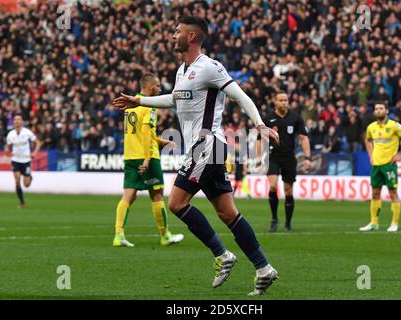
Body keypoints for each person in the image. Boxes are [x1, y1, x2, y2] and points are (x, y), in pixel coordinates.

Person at [113, 16, 280, 296]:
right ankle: (264, 268)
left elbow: (240, 96)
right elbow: (173, 100)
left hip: (208, 145)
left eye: (177, 31)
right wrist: (138, 100)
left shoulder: (210, 67)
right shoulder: (182, 70)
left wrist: (260, 124)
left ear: (191, 37)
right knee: (228, 213)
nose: (172, 35)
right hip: (200, 149)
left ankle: (223, 255)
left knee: (177, 203)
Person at [113, 73, 184, 247]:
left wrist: (161, 141)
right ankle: (165, 235)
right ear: (151, 87)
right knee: (157, 195)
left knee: (128, 196)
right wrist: (146, 159)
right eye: (158, 86)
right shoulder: (149, 106)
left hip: (130, 155)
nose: (160, 89)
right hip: (147, 156)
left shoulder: (131, 105)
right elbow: (145, 133)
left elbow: (141, 133)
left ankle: (118, 235)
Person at [360, 103, 401, 233]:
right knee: (375, 193)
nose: (378, 110)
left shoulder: (394, 125)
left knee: (392, 193)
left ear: (387, 111)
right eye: (376, 109)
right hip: (376, 165)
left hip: (389, 165)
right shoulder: (371, 127)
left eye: (381, 108)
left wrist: (400, 155)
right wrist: (370, 155)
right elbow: (367, 140)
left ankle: (394, 223)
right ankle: (374, 223)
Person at [263, 91, 311, 233]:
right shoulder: (268, 119)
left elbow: (303, 138)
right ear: (275, 102)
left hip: (289, 158)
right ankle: (274, 219)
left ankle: (288, 223)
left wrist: (308, 158)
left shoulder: (295, 118)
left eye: (286, 100)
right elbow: (260, 139)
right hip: (273, 157)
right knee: (272, 186)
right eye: (281, 100)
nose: (284, 102)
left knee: (288, 190)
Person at [5, 114, 41, 208]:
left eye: (19, 119)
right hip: (15, 160)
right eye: (15, 119)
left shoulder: (27, 132)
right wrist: (7, 150)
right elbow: (8, 146)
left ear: (22, 122)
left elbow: (37, 143)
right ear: (13, 122)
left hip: (26, 160)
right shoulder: (10, 134)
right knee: (17, 180)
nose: (17, 121)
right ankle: (22, 203)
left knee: (26, 184)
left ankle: (29, 177)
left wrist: (34, 153)